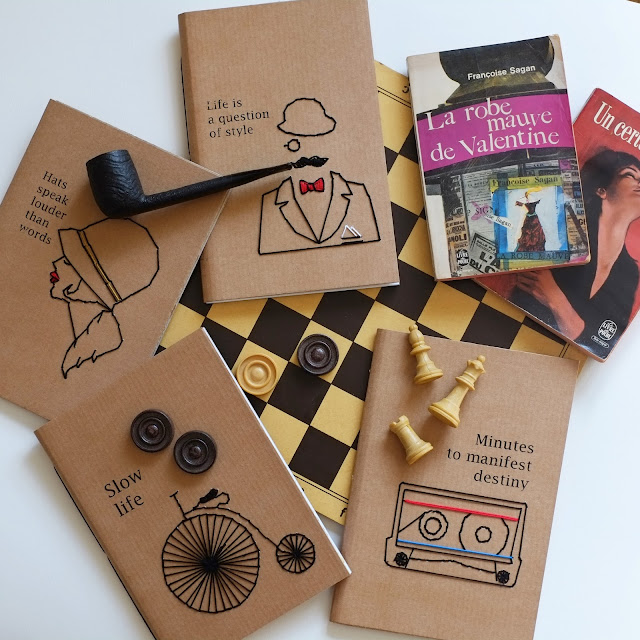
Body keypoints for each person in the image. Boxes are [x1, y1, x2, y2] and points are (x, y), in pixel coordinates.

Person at [511, 149, 640, 355]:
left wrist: (556, 299)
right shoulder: (560, 231)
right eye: (630, 175)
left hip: (563, 359)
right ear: (602, 190)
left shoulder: (629, 273)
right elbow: (523, 292)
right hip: (516, 335)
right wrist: (575, 324)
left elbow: (600, 345)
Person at [50, 218, 159, 378]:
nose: (55, 263)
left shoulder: (101, 343)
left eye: (67, 262)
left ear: (83, 283)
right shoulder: (76, 322)